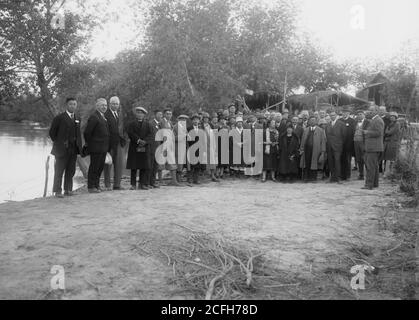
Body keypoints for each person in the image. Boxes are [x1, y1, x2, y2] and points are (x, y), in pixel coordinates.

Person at [49, 97, 83, 198]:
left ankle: (68, 190)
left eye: (74, 104)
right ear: (66, 105)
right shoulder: (59, 118)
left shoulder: (77, 118)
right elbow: (52, 133)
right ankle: (57, 191)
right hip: (61, 149)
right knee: (59, 170)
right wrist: (59, 143)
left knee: (71, 170)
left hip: (73, 149)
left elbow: (78, 134)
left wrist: (79, 147)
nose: (73, 106)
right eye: (71, 104)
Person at [84, 98, 110, 193]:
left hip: (103, 147)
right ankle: (91, 187)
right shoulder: (94, 117)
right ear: (97, 106)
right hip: (96, 147)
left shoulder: (103, 117)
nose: (104, 107)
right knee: (94, 167)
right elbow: (87, 133)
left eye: (106, 105)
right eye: (102, 105)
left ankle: (97, 185)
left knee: (100, 167)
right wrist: (91, 144)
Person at [126, 106, 154, 190]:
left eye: (141, 113)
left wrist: (144, 142)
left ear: (144, 115)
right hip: (134, 146)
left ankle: (143, 184)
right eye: (138, 112)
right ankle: (133, 184)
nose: (139, 114)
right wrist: (138, 140)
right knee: (134, 167)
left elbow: (151, 135)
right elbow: (130, 133)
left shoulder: (148, 124)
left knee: (144, 166)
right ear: (136, 114)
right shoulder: (131, 124)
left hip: (145, 147)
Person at [104, 96, 126, 191]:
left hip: (119, 143)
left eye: (117, 104)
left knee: (119, 164)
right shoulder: (105, 115)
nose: (115, 105)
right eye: (113, 103)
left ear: (119, 105)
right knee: (108, 164)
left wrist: (124, 139)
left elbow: (123, 129)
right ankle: (108, 185)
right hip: (109, 144)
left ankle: (117, 185)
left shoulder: (120, 115)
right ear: (110, 104)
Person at [362, 105, 384, 190]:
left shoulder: (378, 120)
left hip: (373, 147)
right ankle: (374, 184)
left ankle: (369, 184)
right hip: (372, 147)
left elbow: (378, 132)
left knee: (370, 166)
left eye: (372, 110)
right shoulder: (374, 119)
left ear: (376, 111)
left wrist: (367, 132)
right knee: (374, 166)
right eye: (369, 110)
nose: (370, 112)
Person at [300, 116, 326, 182]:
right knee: (306, 163)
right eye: (311, 120)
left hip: (316, 150)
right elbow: (302, 141)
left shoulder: (320, 130)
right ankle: (306, 178)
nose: (312, 122)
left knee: (314, 164)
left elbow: (323, 142)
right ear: (309, 121)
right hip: (306, 150)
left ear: (316, 121)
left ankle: (313, 178)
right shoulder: (306, 130)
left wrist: (323, 152)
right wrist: (301, 149)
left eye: (314, 120)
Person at [159, 108, 181, 186]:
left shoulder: (170, 123)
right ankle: (160, 181)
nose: (169, 115)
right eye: (167, 113)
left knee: (172, 162)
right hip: (163, 145)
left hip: (170, 145)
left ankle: (174, 181)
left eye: (170, 114)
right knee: (161, 163)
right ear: (164, 114)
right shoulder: (161, 122)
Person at [325, 110, 346, 184]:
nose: (332, 116)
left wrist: (340, 144)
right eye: (331, 115)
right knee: (330, 162)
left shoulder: (341, 124)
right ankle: (332, 178)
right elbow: (327, 136)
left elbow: (344, 136)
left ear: (336, 116)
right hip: (329, 146)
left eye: (333, 115)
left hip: (338, 146)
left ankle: (338, 178)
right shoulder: (327, 124)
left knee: (337, 161)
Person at [339, 107, 356, 181]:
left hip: (349, 144)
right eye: (343, 112)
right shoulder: (339, 120)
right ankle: (341, 175)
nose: (344, 114)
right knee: (340, 160)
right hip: (340, 144)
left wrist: (351, 143)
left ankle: (347, 175)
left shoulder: (352, 121)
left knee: (347, 160)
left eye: (346, 112)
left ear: (349, 113)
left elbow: (353, 133)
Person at [187, 114, 204, 184]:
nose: (195, 121)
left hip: (199, 149)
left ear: (199, 121)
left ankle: (196, 179)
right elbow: (187, 139)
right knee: (191, 165)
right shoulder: (188, 129)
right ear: (192, 121)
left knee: (198, 165)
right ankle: (189, 179)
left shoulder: (201, 129)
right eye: (194, 120)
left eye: (197, 120)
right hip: (191, 148)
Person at [202, 112, 219, 182]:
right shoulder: (201, 126)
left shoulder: (211, 126)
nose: (206, 119)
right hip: (204, 145)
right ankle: (203, 176)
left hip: (211, 145)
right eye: (205, 118)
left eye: (207, 118)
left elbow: (214, 135)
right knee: (203, 161)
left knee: (212, 160)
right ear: (203, 119)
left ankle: (212, 175)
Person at [382, 112, 400, 178]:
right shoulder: (389, 124)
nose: (391, 117)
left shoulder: (397, 124)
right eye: (391, 116)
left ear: (396, 118)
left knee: (391, 158)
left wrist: (387, 132)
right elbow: (386, 131)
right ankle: (386, 172)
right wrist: (387, 132)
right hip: (387, 142)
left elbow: (390, 132)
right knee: (386, 158)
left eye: (393, 117)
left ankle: (391, 172)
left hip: (392, 142)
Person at [148, 109, 163, 188]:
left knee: (155, 166)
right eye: (159, 114)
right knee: (150, 166)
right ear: (155, 115)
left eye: (161, 115)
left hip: (158, 148)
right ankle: (148, 182)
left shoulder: (159, 125)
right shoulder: (151, 124)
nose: (161, 116)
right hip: (152, 148)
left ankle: (153, 182)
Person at [353, 110, 369, 180]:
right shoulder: (355, 122)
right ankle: (361, 174)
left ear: (364, 115)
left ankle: (368, 174)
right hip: (356, 142)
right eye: (358, 114)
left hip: (363, 142)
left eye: (360, 114)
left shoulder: (368, 122)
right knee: (358, 159)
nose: (359, 115)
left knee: (365, 158)